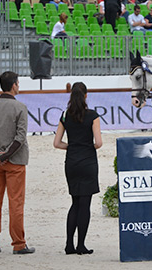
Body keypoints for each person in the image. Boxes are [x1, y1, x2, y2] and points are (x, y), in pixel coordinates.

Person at [0, 71, 36, 255]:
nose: (18, 86)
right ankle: (18, 244)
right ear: (13, 85)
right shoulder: (20, 107)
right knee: (16, 203)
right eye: (18, 83)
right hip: (15, 161)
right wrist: (5, 155)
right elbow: (20, 138)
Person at [53, 82, 103, 255]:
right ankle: (81, 244)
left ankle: (69, 244)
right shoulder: (93, 116)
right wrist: (85, 145)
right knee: (85, 204)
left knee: (74, 203)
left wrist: (72, 146)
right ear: (86, 96)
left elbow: (57, 143)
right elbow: (98, 143)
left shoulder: (65, 116)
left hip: (71, 162)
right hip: (88, 161)